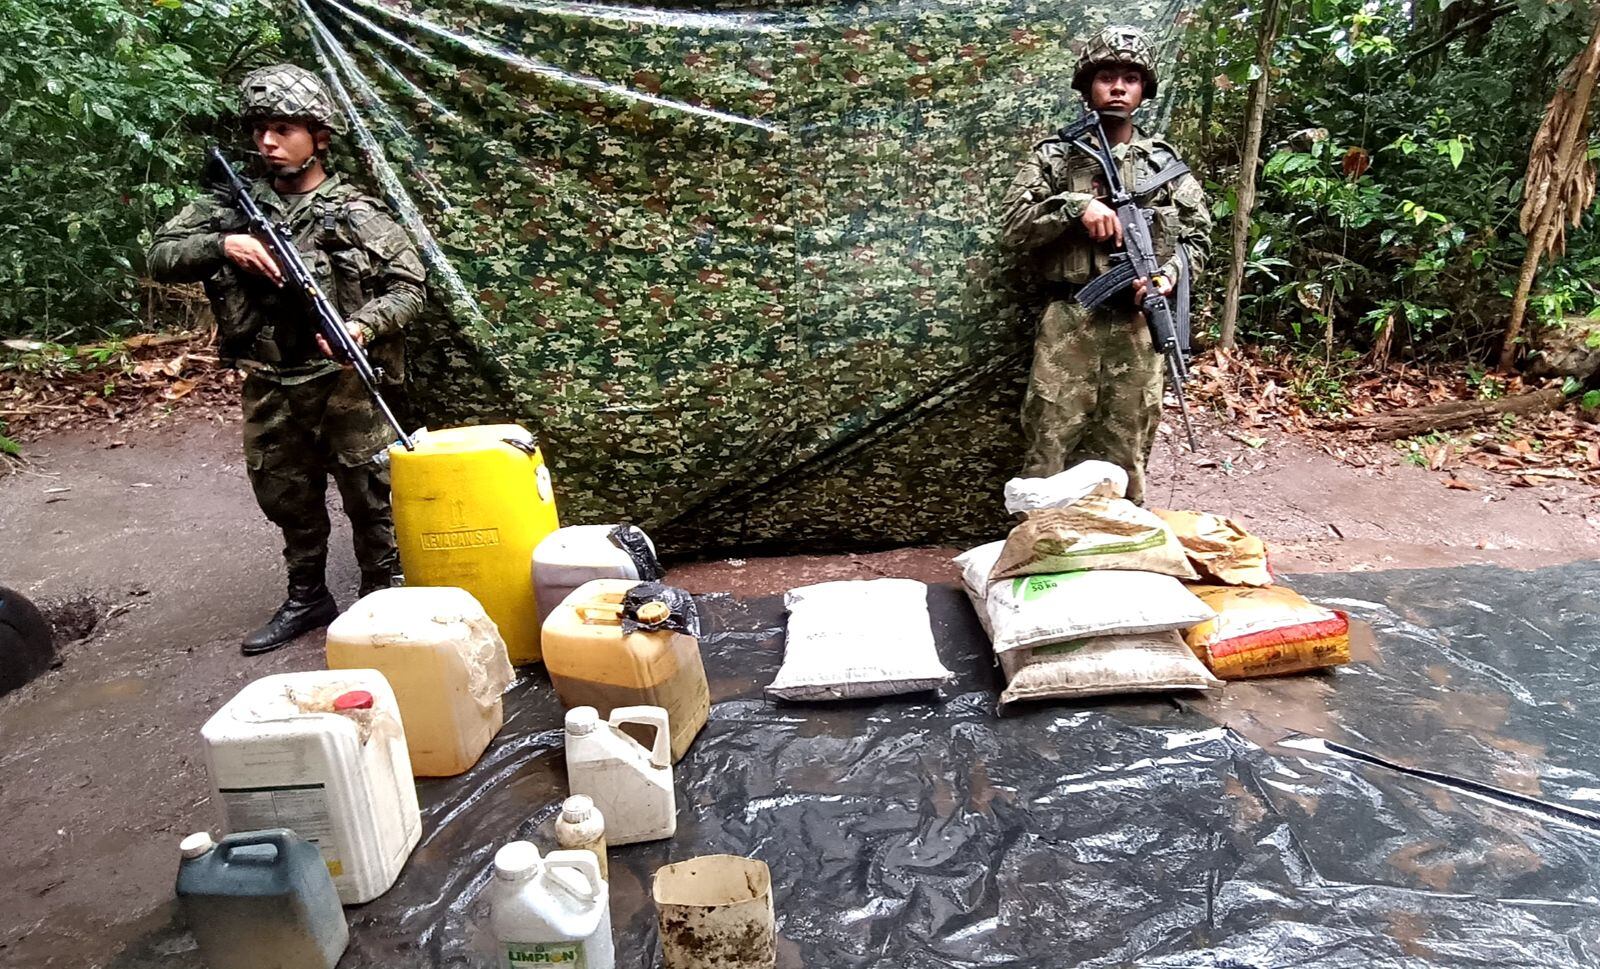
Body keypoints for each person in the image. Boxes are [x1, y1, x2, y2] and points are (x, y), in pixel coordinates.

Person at [148, 64, 426, 654]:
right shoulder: (230, 207)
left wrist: (359, 324)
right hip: (270, 380)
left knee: (370, 495)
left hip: (343, 381)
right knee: (286, 495)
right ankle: (308, 596)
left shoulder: (353, 211)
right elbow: (160, 256)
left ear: (318, 135)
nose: (267, 143)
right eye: (259, 131)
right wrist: (223, 244)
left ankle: (383, 598)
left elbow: (410, 286)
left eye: (282, 128)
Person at [1000, 25, 1211, 504]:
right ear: (1088, 85)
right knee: (1049, 444)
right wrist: (1075, 206)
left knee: (1128, 450)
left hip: (1137, 327)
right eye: (1108, 76)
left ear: (1143, 91)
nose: (1118, 87)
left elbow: (1198, 239)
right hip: (1070, 321)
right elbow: (1014, 227)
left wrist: (1167, 275)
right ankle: (1038, 553)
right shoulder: (1054, 157)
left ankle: (1119, 555)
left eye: (1131, 79)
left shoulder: (1164, 165)